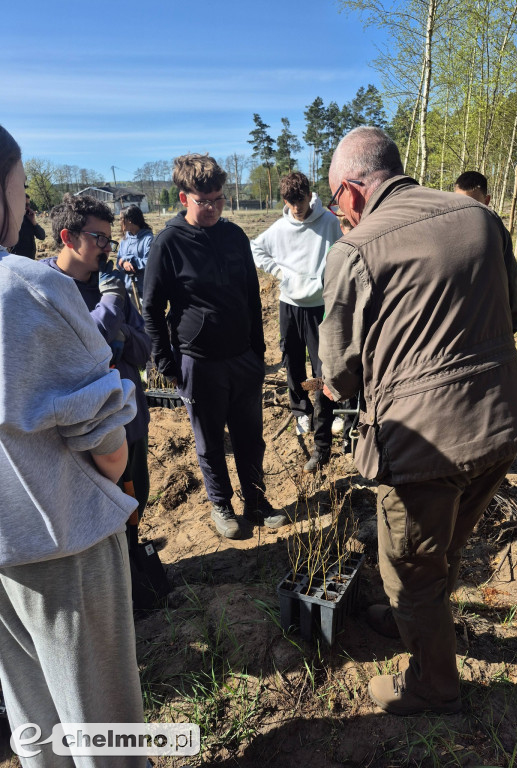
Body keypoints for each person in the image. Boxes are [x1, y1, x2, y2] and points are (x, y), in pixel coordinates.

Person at [319, 126, 517, 716]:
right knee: (446, 544)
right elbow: (513, 314)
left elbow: (338, 372)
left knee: (411, 567)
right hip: (501, 421)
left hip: (424, 446)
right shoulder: (479, 218)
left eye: (335, 198)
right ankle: (412, 620)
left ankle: (433, 682)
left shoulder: (355, 249)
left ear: (352, 191)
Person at [0, 125, 145, 766]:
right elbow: (107, 446)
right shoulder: (30, 289)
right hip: (61, 538)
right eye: (20, 187)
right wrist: (113, 475)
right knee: (103, 722)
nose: (24, 203)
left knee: (34, 718)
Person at [143, 153, 286, 538]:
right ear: (182, 197)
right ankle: (221, 505)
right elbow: (152, 309)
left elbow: (252, 297)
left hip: (243, 359)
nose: (212, 208)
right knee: (209, 441)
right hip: (199, 362)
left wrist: (257, 351)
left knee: (250, 437)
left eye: (218, 199)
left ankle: (255, 502)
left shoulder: (235, 236)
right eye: (203, 200)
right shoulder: (168, 244)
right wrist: (166, 363)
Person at [47, 194, 151, 519]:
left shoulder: (111, 284)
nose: (108, 248)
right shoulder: (44, 289)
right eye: (100, 238)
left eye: (110, 238)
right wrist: (108, 310)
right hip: (82, 433)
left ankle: (134, 559)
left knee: (134, 501)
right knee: (96, 514)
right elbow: (78, 349)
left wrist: (123, 334)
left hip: (129, 421)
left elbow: (146, 347)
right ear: (68, 237)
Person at [251, 171, 342, 473]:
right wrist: (282, 273)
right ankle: (300, 408)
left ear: (309, 195)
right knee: (291, 359)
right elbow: (256, 249)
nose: (296, 208)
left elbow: (343, 250)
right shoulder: (280, 228)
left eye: (300, 201)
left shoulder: (328, 222)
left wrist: (326, 278)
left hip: (319, 307)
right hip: (289, 304)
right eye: (290, 203)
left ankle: (323, 425)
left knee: (321, 366)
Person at [454, 171, 517, 332]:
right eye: (459, 202)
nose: (464, 210)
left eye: (471, 205)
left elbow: (511, 278)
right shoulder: (440, 228)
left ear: (487, 201)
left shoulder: (496, 231)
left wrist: (511, 326)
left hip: (485, 329)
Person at [117, 205, 153, 304]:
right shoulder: (124, 240)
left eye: (121, 219)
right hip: (127, 290)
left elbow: (149, 262)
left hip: (143, 292)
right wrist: (124, 263)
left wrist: (130, 260)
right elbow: (118, 261)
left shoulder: (148, 239)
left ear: (130, 220)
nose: (119, 222)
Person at [10, 193, 45, 258]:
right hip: (16, 259)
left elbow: (42, 236)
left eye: (29, 205)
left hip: (30, 259)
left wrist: (34, 222)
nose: (28, 207)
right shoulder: (9, 219)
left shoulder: (29, 218)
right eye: (25, 204)